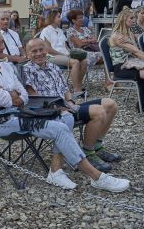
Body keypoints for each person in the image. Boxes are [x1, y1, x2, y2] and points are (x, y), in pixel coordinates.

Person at [0, 23, 129, 192]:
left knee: (66, 118)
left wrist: (12, 94)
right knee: (59, 128)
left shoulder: (6, 66)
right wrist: (12, 95)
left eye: (2, 42)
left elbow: (23, 96)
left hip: (21, 114)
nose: (2, 46)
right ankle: (96, 177)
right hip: (2, 121)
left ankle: (56, 170)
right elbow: (1, 99)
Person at [23, 38, 120, 173]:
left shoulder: (53, 66)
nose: (39, 53)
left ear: (46, 50)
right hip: (51, 113)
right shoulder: (27, 70)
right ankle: (88, 152)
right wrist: (59, 107)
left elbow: (65, 89)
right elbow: (34, 97)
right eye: (34, 51)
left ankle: (97, 146)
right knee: (98, 111)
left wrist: (70, 101)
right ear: (27, 53)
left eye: (41, 49)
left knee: (110, 104)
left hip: (66, 107)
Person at [40, 10, 87, 95]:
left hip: (64, 55)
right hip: (51, 56)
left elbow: (66, 47)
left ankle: (79, 85)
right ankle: (77, 90)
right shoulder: (46, 31)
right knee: (75, 62)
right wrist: (65, 55)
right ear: (52, 18)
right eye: (58, 17)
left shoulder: (60, 30)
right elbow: (48, 50)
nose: (60, 19)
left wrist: (71, 53)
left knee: (84, 61)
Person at [109, 9, 144, 108]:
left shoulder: (129, 33)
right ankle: (141, 105)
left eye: (134, 18)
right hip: (121, 68)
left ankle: (141, 104)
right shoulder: (117, 36)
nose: (134, 20)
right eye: (131, 18)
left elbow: (136, 52)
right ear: (123, 19)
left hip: (131, 64)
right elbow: (136, 52)